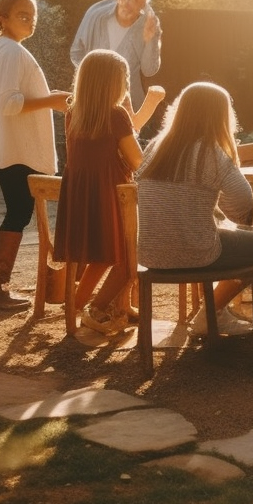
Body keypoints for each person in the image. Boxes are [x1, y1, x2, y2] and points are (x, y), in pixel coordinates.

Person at [137, 82, 253, 337]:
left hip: (150, 253)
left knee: (234, 241)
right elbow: (243, 199)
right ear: (219, 117)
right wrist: (231, 218)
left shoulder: (155, 147)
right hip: (196, 251)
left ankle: (215, 313)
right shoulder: (209, 151)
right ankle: (210, 314)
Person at [0, 0, 71, 311]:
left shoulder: (4, 48)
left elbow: (15, 96)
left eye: (33, 15)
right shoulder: (9, 50)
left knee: (19, 211)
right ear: (3, 18)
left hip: (9, 149)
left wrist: (51, 97)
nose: (31, 20)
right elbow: (9, 104)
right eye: (23, 15)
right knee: (19, 212)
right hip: (14, 151)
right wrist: (52, 101)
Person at [51, 50, 145, 335]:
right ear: (112, 83)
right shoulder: (116, 115)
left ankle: (78, 303)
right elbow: (137, 160)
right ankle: (97, 309)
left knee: (103, 255)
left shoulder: (73, 113)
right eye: (124, 79)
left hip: (83, 194)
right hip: (112, 193)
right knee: (127, 259)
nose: (127, 85)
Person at [69, 0, 161, 110]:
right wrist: (92, 77)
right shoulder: (95, 15)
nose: (128, 3)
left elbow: (149, 70)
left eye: (136, 0)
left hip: (128, 107)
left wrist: (150, 40)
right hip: (91, 100)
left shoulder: (149, 25)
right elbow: (76, 52)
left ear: (143, 6)